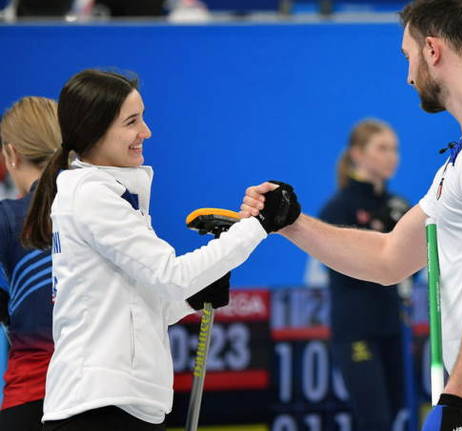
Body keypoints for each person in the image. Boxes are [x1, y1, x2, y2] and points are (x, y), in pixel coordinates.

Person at [240, 1, 462, 430]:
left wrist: (456, 399)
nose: (408, 76)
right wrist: (291, 222)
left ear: (433, 50)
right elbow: (389, 258)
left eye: (409, 57)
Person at [20, 69, 297, 431]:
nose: (146, 132)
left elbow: (141, 303)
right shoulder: (92, 196)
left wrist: (192, 299)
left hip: (120, 404)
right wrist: (257, 227)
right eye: (132, 121)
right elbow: (171, 277)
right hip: (99, 407)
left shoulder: (108, 195)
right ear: (95, 129)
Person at [320, 118, 409, 431]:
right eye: (382, 148)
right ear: (357, 154)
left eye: (395, 149)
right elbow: (345, 268)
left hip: (391, 325)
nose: (392, 156)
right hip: (356, 328)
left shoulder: (399, 207)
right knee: (375, 420)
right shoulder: (337, 209)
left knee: (397, 407)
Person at [0, 96, 61, 431]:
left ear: (11, 153)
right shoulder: (110, 205)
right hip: (108, 398)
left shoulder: (9, 217)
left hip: (33, 395)